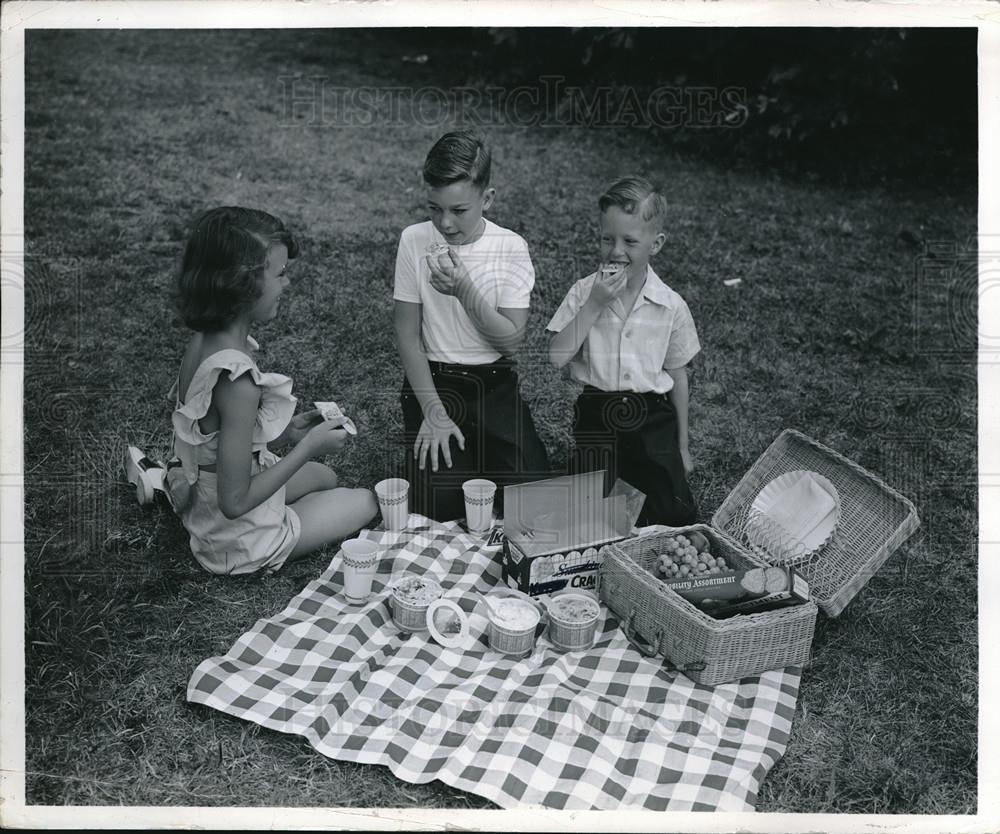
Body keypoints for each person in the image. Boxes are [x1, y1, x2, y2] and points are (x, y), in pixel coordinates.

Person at [160, 206, 377, 574]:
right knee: (366, 501)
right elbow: (235, 500)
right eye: (280, 275)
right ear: (243, 285)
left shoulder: (204, 343)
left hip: (210, 508)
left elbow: (219, 441)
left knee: (327, 479)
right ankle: (278, 529)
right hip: (239, 541)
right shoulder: (237, 380)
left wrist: (289, 434)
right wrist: (308, 447)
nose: (286, 284)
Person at [392, 130, 550, 521]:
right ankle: (457, 461)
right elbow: (407, 336)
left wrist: (463, 288)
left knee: (533, 500)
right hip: (434, 382)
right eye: (434, 208)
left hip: (493, 384)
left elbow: (511, 341)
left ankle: (483, 458)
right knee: (438, 508)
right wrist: (432, 411)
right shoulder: (413, 240)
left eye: (458, 210)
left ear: (487, 198)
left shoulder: (510, 247)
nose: (444, 223)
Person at [547, 176, 700, 526]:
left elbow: (677, 373)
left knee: (673, 513)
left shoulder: (670, 305)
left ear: (655, 243)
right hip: (598, 414)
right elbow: (557, 356)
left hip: (652, 417)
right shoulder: (584, 292)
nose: (616, 251)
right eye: (607, 239)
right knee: (589, 518)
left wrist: (682, 446)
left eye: (630, 241)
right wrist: (595, 305)